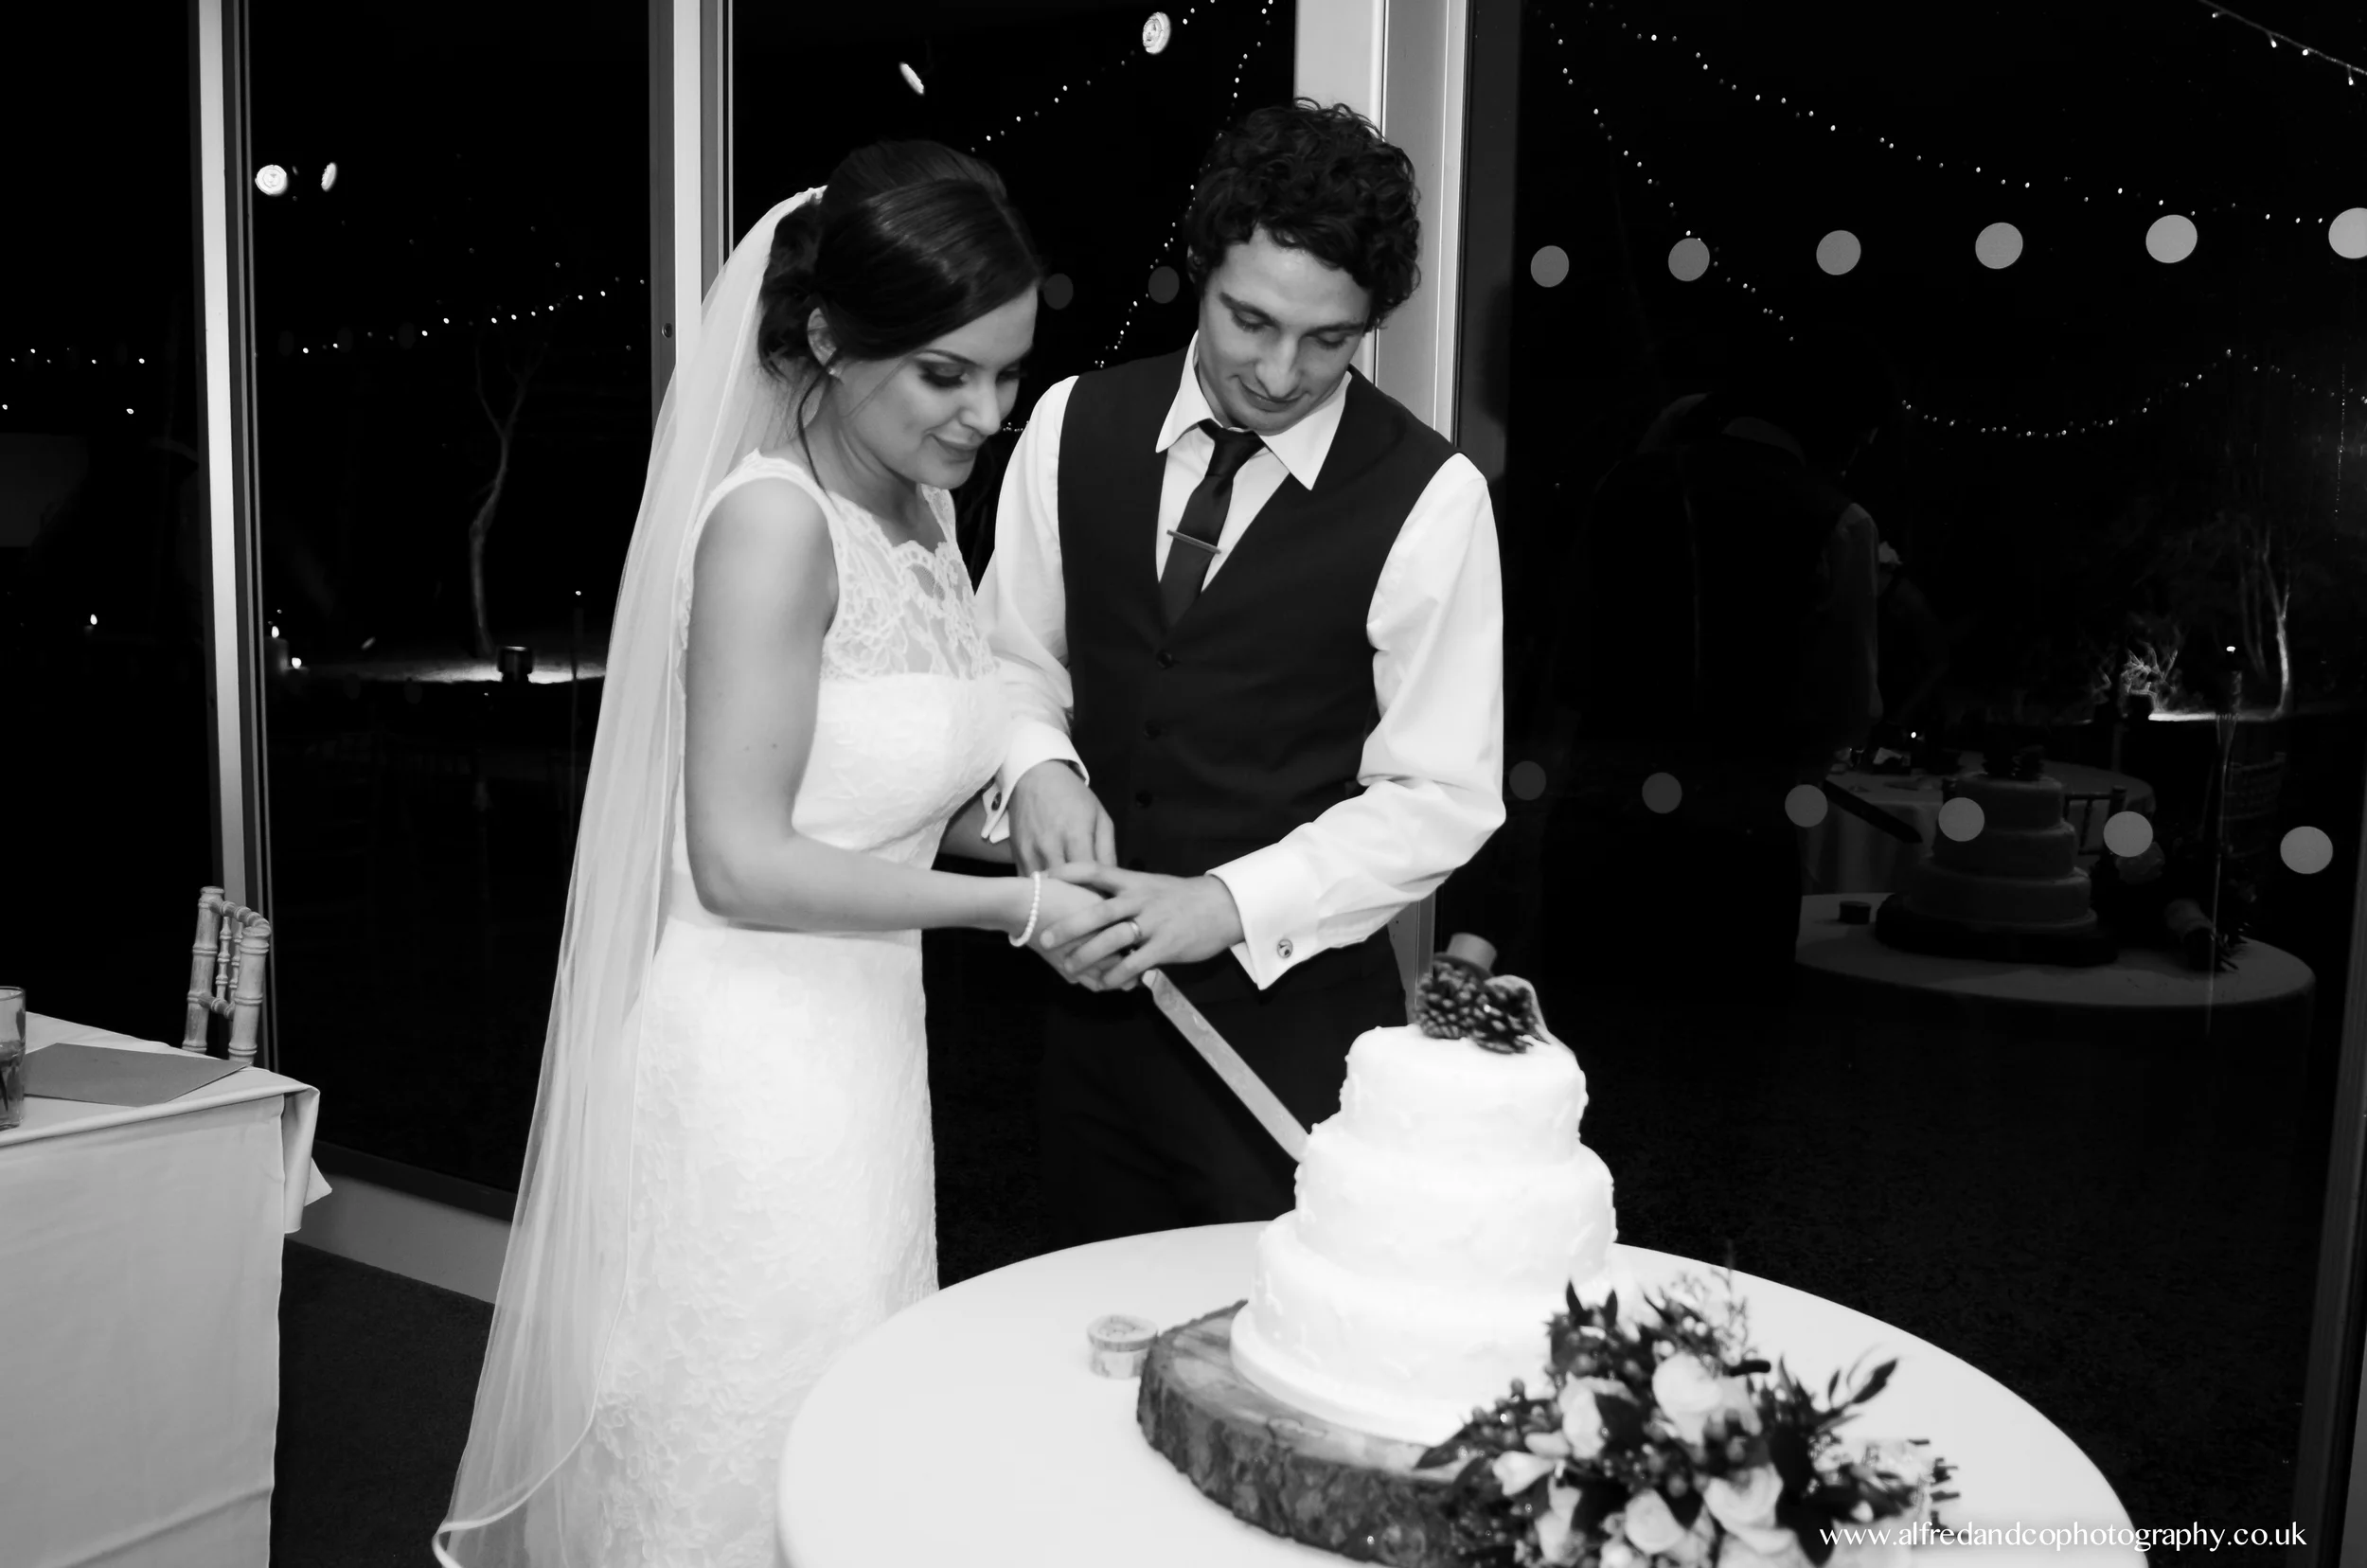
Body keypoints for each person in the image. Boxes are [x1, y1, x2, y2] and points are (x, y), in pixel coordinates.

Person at [435, 143, 1106, 1567]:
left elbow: (870, 787)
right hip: (749, 1072)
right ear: (826, 341)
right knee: (739, 1450)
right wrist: (1016, 908)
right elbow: (740, 860)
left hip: (863, 1049)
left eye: (1007, 373)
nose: (987, 414)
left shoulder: (918, 506)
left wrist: (1027, 816)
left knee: (846, 1434)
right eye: (946, 375)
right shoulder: (769, 526)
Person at [975, 99, 1507, 1246]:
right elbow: (1012, 656)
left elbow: (1440, 794)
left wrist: (1224, 904)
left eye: (1329, 341)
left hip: (1295, 1040)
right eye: (1249, 320)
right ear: (1200, 270)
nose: (1279, 372)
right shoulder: (1071, 423)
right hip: (1084, 1029)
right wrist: (1038, 767)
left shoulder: (1433, 495)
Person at [1550, 329, 1895, 1001]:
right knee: (1722, 1036)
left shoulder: (1625, 483)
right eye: (1862, 438)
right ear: (1839, 427)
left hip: (1599, 820)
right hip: (1738, 838)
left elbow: (1571, 653)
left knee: (1591, 1027)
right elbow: (1850, 707)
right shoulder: (1840, 522)